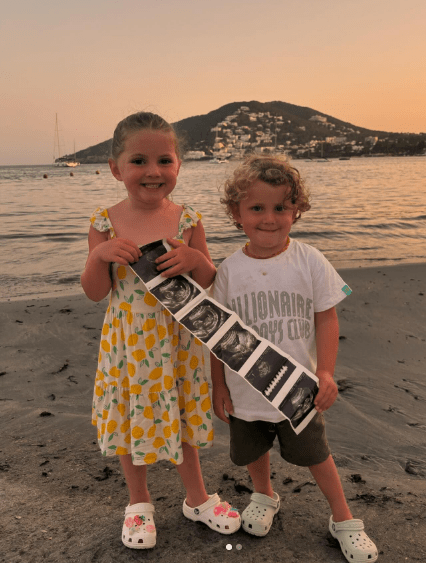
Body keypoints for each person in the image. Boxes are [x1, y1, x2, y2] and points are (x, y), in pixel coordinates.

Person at [81, 112, 240, 550]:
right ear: (116, 169)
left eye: (164, 160)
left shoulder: (188, 219)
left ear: (178, 166)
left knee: (184, 418)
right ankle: (139, 502)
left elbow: (210, 280)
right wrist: (99, 258)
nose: (153, 171)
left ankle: (197, 497)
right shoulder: (104, 222)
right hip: (129, 347)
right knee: (134, 422)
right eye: (138, 161)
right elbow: (96, 293)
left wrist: (196, 261)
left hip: (179, 344)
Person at [211, 154, 378, 563]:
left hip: (297, 390)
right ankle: (265, 496)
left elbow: (327, 316)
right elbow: (215, 336)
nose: (269, 218)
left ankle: (343, 518)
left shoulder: (310, 260)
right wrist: (217, 385)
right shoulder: (228, 272)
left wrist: (325, 371)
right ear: (236, 212)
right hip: (245, 390)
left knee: (316, 453)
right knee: (252, 450)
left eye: (281, 207)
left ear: (297, 209)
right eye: (256, 208)